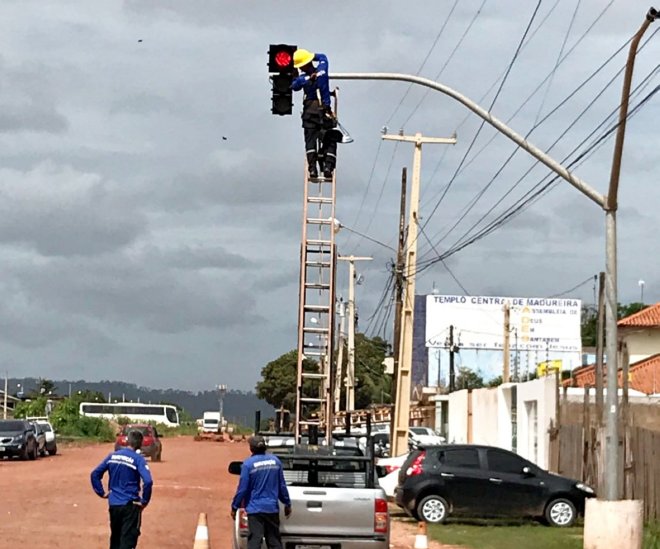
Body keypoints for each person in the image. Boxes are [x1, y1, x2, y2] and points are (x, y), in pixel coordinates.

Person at [91, 429, 153, 549]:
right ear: (140, 444)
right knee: (127, 540)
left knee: (115, 539)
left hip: (114, 504)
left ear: (127, 441)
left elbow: (95, 474)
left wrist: (101, 492)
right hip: (130, 505)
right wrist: (144, 501)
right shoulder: (138, 459)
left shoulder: (112, 456)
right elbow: (148, 481)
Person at [231, 435, 292, 549]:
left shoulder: (248, 464)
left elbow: (242, 489)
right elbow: (281, 486)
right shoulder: (275, 462)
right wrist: (287, 503)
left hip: (255, 509)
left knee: (254, 541)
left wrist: (235, 507)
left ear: (251, 448)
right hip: (271, 509)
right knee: (274, 541)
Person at [291, 48, 338, 179]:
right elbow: (323, 56)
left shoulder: (302, 79)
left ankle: (313, 169)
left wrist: (295, 75)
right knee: (330, 139)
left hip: (310, 113)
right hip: (325, 111)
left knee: (310, 141)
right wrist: (312, 56)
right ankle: (328, 166)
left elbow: (294, 86)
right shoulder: (323, 68)